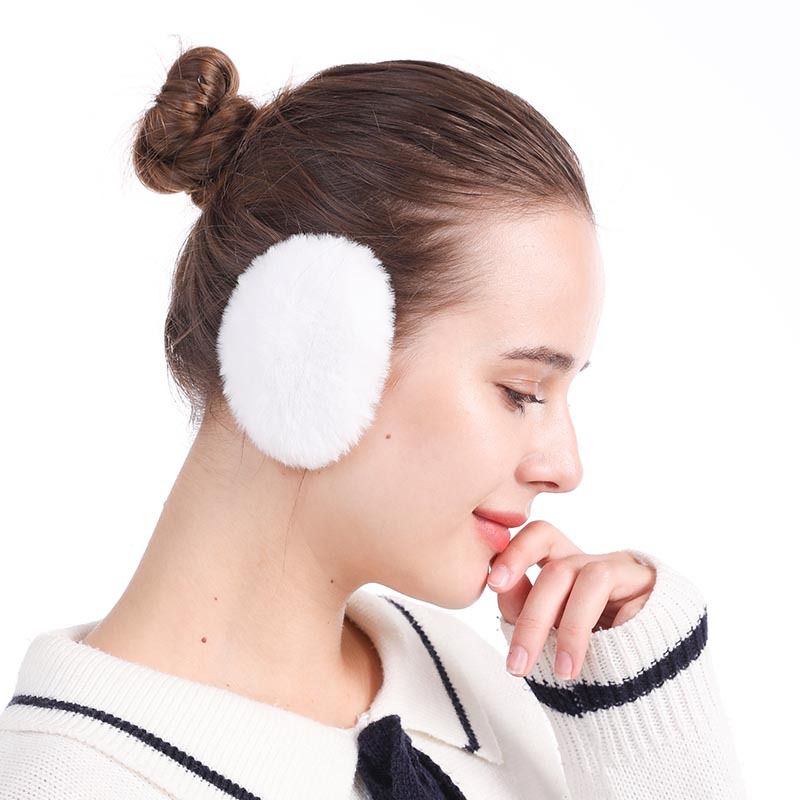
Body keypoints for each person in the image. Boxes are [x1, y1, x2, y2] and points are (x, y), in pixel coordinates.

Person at [0, 47, 747, 799]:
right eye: (522, 391)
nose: (565, 467)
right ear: (312, 342)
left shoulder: (477, 681)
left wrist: (643, 716)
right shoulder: (69, 784)